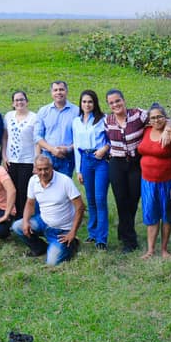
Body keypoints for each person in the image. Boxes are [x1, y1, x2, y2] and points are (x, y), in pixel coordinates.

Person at [12, 156, 85, 265]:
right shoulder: (33, 180)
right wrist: (26, 221)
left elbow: (80, 206)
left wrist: (72, 232)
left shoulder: (65, 181)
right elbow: (30, 203)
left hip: (62, 230)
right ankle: (40, 248)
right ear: (35, 169)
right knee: (17, 226)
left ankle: (72, 244)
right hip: (43, 222)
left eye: (46, 169)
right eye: (39, 169)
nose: (43, 172)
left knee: (52, 263)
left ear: (52, 167)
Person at [104, 89, 152, 254]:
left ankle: (123, 229)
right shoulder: (107, 120)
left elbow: (161, 118)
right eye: (111, 103)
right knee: (121, 200)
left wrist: (167, 130)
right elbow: (104, 140)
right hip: (116, 163)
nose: (115, 105)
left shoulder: (138, 114)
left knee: (133, 199)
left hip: (135, 163)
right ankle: (129, 241)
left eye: (118, 101)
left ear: (124, 100)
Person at [138, 103, 171, 259]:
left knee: (166, 215)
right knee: (151, 214)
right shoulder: (146, 131)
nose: (156, 120)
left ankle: (164, 249)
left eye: (159, 117)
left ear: (165, 117)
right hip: (147, 181)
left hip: (168, 181)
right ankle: (150, 250)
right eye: (153, 117)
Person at [71, 90, 111, 251]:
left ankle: (102, 238)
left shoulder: (104, 120)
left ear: (95, 103)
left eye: (90, 102)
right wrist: (79, 169)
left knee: (100, 198)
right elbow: (76, 146)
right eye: (84, 102)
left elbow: (112, 140)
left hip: (101, 160)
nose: (87, 105)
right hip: (85, 160)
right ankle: (92, 233)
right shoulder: (76, 121)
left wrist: (104, 149)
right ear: (80, 104)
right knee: (91, 199)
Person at [1, 90, 37, 218]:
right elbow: (5, 138)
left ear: (27, 101)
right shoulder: (8, 116)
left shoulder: (34, 117)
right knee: (12, 189)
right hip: (11, 160)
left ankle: (24, 218)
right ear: (13, 103)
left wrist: (36, 162)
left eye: (22, 99)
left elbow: (37, 141)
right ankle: (13, 215)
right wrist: (4, 156)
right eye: (16, 100)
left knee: (24, 190)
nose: (19, 102)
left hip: (27, 161)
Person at [35, 80, 78, 177]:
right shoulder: (43, 111)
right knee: (46, 187)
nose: (58, 92)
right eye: (55, 90)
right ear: (51, 93)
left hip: (67, 157)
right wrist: (52, 149)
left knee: (64, 188)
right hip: (47, 156)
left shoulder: (77, 111)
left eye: (61, 90)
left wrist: (68, 149)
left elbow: (80, 137)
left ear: (66, 91)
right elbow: (37, 136)